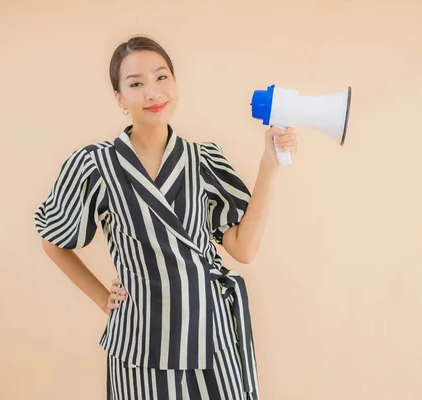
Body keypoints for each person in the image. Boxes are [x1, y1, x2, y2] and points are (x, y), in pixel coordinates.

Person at [34, 34, 298, 399]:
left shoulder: (204, 159)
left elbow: (244, 249)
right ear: (120, 98)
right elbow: (54, 239)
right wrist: (101, 299)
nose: (153, 93)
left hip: (210, 333)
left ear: (175, 83)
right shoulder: (94, 165)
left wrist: (269, 164)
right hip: (139, 340)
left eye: (161, 78)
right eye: (136, 84)